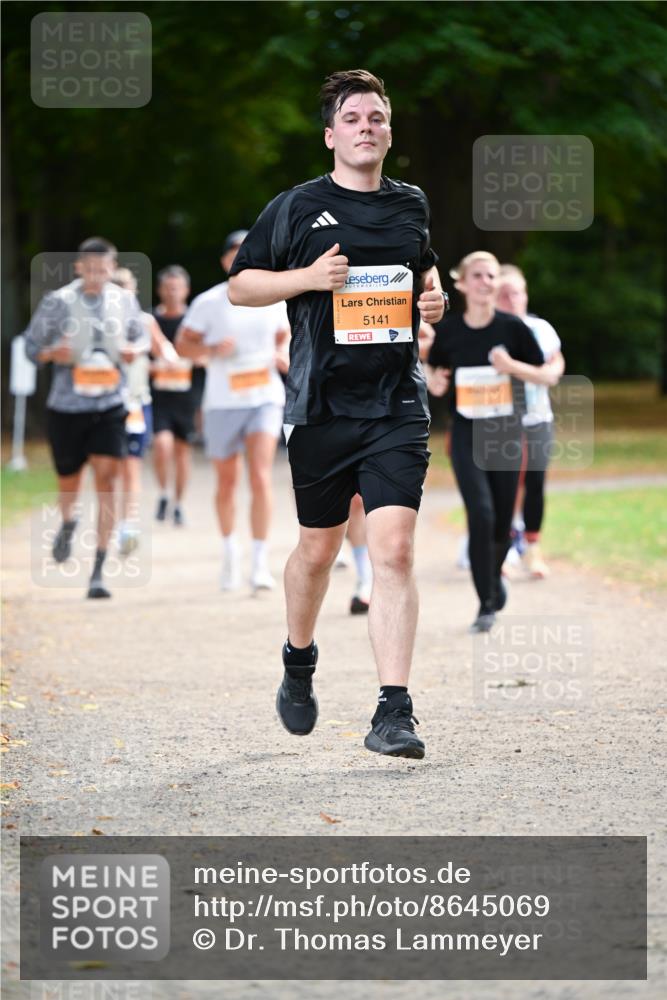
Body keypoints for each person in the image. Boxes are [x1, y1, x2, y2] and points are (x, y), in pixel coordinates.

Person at [228, 69, 446, 759]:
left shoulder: (410, 203)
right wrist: (305, 279)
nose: (365, 126)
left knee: (394, 549)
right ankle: (298, 658)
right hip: (321, 405)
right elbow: (240, 286)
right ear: (331, 134)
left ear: (387, 131)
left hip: (395, 403)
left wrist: (432, 302)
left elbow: (424, 271)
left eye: (376, 117)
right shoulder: (296, 207)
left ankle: (393, 711)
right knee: (317, 551)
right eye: (352, 117)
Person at [427, 251, 557, 632]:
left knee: (501, 521)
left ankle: (495, 580)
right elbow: (435, 368)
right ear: (463, 284)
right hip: (467, 433)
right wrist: (434, 381)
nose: (486, 282)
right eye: (478, 276)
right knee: (480, 514)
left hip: (506, 432)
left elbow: (545, 375)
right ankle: (485, 602)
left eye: (492, 276)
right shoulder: (450, 331)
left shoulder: (513, 329)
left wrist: (510, 367)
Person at [24, 237, 146, 598]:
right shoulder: (58, 301)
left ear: (112, 268)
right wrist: (52, 353)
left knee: (107, 480)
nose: (96, 276)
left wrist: (130, 351)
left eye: (103, 270)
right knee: (69, 482)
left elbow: (141, 340)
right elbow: (31, 346)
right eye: (89, 270)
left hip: (109, 405)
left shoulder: (124, 302)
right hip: (67, 407)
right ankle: (67, 522)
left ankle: (97, 571)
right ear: (79, 267)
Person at [175, 231, 290, 591]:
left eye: (247, 251)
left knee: (259, 476)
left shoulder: (274, 297)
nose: (241, 258)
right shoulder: (209, 302)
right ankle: (230, 552)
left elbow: (285, 335)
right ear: (225, 261)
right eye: (234, 254)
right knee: (227, 482)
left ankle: (259, 562)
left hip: (264, 398)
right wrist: (209, 350)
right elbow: (182, 345)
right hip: (223, 401)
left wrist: (282, 354)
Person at [495, 264, 565, 579]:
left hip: (538, 418)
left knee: (535, 483)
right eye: (505, 294)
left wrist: (511, 366)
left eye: (518, 292)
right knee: (504, 486)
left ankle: (532, 548)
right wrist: (533, 371)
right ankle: (506, 549)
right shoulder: (489, 329)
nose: (513, 299)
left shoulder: (542, 330)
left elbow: (552, 374)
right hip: (498, 421)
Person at [112, 267, 179, 554]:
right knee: (108, 468)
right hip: (103, 403)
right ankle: (110, 521)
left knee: (131, 465)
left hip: (136, 402)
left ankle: (128, 525)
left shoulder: (144, 321)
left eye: (128, 290)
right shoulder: (96, 323)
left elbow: (166, 351)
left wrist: (165, 359)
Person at [151, 265, 200, 526]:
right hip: (158, 396)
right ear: (160, 290)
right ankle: (163, 493)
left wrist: (191, 361)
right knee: (162, 446)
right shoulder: (150, 321)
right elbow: (137, 359)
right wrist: (157, 366)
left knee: (182, 452)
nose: (172, 292)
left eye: (177, 287)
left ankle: (179, 503)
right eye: (167, 287)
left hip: (187, 396)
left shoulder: (194, 321)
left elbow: (203, 356)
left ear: (186, 290)